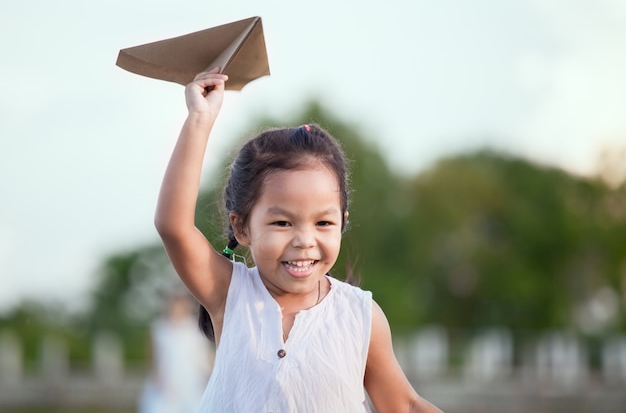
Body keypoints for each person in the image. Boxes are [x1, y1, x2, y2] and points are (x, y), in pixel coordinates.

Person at [154, 68, 444, 413]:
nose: (305, 240)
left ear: (342, 223)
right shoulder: (230, 294)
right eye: (282, 222)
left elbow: (404, 406)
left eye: (323, 222)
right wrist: (199, 119)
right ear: (242, 227)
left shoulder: (360, 316)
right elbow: (174, 226)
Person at [138, 288, 214, 413]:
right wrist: (158, 379)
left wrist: (208, 376)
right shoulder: (159, 329)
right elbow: (153, 358)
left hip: (193, 382)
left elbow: (205, 356)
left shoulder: (196, 328)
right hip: (167, 381)